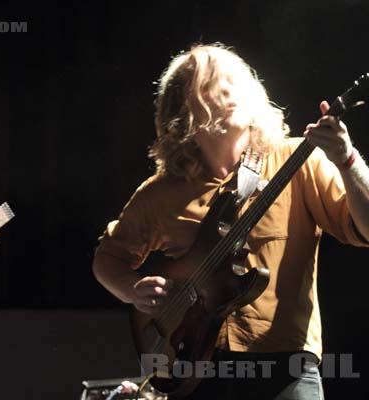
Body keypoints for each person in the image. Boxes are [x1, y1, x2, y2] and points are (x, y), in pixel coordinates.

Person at [92, 43, 369, 400]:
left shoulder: (298, 160)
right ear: (182, 108)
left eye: (234, 82)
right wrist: (130, 289)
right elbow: (108, 258)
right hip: (194, 368)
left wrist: (348, 161)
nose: (228, 93)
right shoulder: (160, 193)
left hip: (284, 365)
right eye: (211, 86)